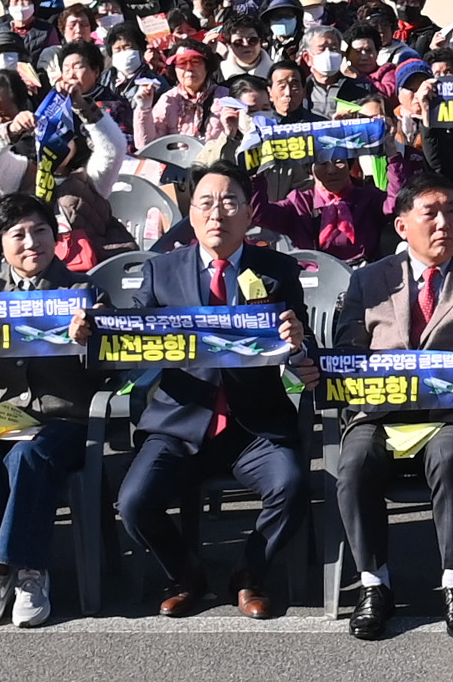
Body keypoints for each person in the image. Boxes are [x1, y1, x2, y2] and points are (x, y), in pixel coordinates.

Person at [325, 172, 453, 639]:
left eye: (451, 211)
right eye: (429, 213)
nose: (443, 223)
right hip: (382, 409)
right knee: (353, 463)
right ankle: (375, 583)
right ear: (402, 226)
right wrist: (327, 370)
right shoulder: (368, 280)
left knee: (451, 454)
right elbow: (349, 350)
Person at [123, 171, 317, 618]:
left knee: (290, 485)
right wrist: (95, 327)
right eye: (206, 203)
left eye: (230, 202)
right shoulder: (162, 270)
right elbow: (132, 332)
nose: (217, 213)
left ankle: (248, 575)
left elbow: (301, 350)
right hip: (180, 421)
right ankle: (187, 574)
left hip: (254, 425)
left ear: (249, 213)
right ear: (190, 215)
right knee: (134, 502)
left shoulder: (277, 269)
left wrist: (299, 343)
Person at [0, 205, 100, 628]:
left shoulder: (84, 291)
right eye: (19, 235)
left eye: (41, 231)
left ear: (56, 236)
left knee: (26, 458)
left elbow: (112, 367)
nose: (32, 243)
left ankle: (28, 571)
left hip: (60, 419)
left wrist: (91, 339)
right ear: (0, 244)